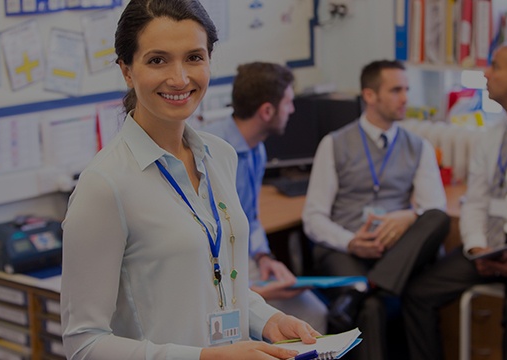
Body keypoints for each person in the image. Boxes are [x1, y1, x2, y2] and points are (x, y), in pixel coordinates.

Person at [60, 1, 320, 359]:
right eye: (157, 60)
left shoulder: (221, 157)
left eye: (194, 57)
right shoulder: (104, 185)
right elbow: (83, 344)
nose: (180, 78)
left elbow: (219, 282)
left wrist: (267, 319)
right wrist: (202, 358)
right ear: (127, 71)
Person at [402, 42, 507, 360]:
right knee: (419, 293)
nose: (485, 73)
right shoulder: (493, 134)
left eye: (494, 66)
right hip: (494, 245)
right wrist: (477, 246)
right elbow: (476, 200)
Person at [302, 59, 450, 360]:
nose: (406, 98)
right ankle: (364, 289)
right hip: (346, 248)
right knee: (371, 308)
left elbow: (434, 207)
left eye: (407, 89)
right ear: (370, 96)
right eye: (396, 90)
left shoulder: (418, 146)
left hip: (394, 251)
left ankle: (361, 288)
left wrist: (410, 216)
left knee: (438, 218)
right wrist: (350, 241)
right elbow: (313, 217)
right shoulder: (334, 144)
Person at [203, 61, 328, 334]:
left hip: (245, 257)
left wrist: (264, 257)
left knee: (315, 315)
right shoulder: (210, 151)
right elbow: (204, 240)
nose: (292, 110)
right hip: (214, 267)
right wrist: (255, 289)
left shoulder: (256, 149)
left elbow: (251, 216)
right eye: (288, 103)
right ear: (267, 111)